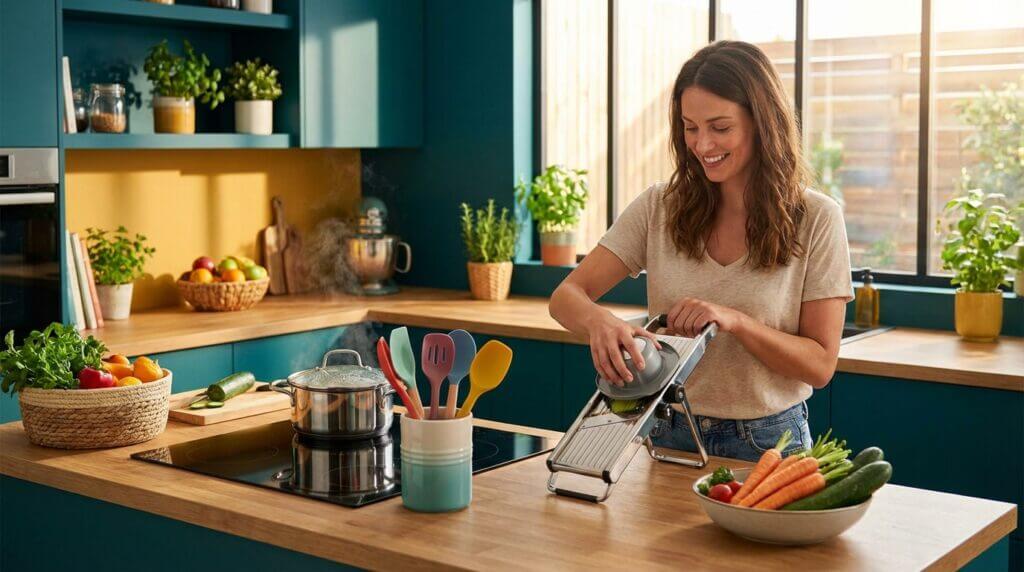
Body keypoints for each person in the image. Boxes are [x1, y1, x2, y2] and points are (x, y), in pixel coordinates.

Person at [548, 40, 853, 462]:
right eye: (690, 127)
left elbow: (820, 365)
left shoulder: (817, 218)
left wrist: (736, 321)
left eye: (720, 127)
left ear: (762, 122)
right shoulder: (660, 206)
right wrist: (600, 323)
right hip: (667, 434)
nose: (703, 144)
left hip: (768, 444)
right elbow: (566, 296)